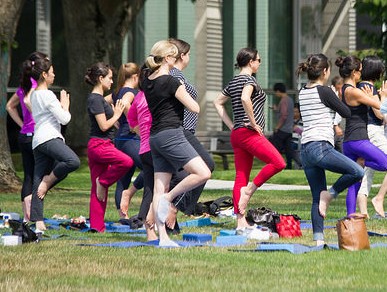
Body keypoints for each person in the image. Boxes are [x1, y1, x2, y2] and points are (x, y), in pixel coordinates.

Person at [142, 40, 211, 247]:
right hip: (172, 134)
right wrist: (183, 91)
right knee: (203, 172)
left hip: (155, 137)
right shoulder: (172, 82)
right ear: (169, 58)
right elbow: (195, 108)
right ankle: (169, 198)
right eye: (175, 55)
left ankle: (163, 238)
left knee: (157, 189)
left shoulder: (148, 80)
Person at [213, 48, 286, 234]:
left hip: (237, 134)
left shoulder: (234, 81)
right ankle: (249, 191)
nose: (260, 63)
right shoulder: (248, 80)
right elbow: (246, 98)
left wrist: (231, 125)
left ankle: (240, 221)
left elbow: (217, 102)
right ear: (251, 61)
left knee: (241, 176)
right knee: (278, 162)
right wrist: (254, 124)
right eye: (259, 60)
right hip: (248, 133)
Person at [296, 53, 364, 246]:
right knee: (356, 171)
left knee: (316, 196)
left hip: (306, 150)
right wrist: (335, 96)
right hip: (320, 146)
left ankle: (318, 241)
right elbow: (346, 112)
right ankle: (331, 194)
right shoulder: (325, 92)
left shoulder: (302, 91)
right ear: (325, 71)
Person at [21, 52, 80, 232]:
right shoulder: (47, 95)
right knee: (72, 161)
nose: (54, 75)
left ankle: (38, 222)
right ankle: (48, 182)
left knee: (37, 178)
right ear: (44, 75)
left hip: (37, 141)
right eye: (52, 72)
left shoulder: (34, 94)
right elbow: (65, 119)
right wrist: (65, 105)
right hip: (49, 138)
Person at [166, 38, 215, 230]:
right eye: (188, 54)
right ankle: (174, 207)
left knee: (178, 175)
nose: (189, 58)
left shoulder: (177, 75)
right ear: (182, 56)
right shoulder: (175, 76)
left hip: (184, 131)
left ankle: (171, 217)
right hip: (181, 130)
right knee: (204, 166)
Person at [85, 62, 134, 232]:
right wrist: (118, 115)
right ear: (100, 78)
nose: (112, 82)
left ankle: (97, 227)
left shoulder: (99, 100)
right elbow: (103, 125)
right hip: (99, 145)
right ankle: (104, 181)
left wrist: (117, 118)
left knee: (98, 190)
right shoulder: (95, 99)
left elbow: (109, 124)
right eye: (110, 78)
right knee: (127, 162)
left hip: (103, 143)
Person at [336, 55, 387, 216]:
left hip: (349, 141)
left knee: (354, 180)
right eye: (360, 71)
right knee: (383, 164)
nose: (361, 73)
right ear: (353, 73)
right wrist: (382, 96)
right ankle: (366, 163)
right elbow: (380, 109)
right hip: (359, 140)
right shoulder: (355, 91)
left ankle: (350, 217)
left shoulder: (343, 90)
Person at [105, 62, 144, 219]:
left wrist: (115, 118)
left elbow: (101, 101)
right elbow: (126, 104)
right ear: (135, 76)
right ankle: (130, 195)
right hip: (131, 138)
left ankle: (122, 216)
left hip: (120, 139)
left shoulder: (117, 92)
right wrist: (134, 124)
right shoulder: (130, 91)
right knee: (151, 167)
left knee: (124, 177)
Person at [128, 67, 157, 240]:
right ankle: (156, 220)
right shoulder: (154, 97)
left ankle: (146, 225)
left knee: (149, 189)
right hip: (155, 148)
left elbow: (131, 120)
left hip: (144, 149)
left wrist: (141, 132)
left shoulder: (138, 97)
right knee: (178, 179)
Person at [6, 68, 38, 222]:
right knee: (38, 175)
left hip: (24, 135)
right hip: (34, 135)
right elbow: (26, 101)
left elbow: (9, 106)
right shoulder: (34, 85)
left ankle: (26, 216)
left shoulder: (22, 87)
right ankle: (32, 214)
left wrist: (22, 125)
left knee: (28, 176)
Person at [269, 83, 302, 169]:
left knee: (273, 146)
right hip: (289, 130)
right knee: (289, 150)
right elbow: (287, 113)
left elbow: (284, 115)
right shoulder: (290, 100)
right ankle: (292, 165)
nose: (276, 94)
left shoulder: (283, 100)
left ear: (278, 91)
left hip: (283, 129)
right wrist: (276, 109)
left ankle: (275, 164)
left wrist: (277, 127)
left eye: (276, 92)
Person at [331, 76, 345, 153]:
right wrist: (335, 125)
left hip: (337, 126)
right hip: (333, 127)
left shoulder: (338, 94)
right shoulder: (333, 94)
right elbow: (335, 111)